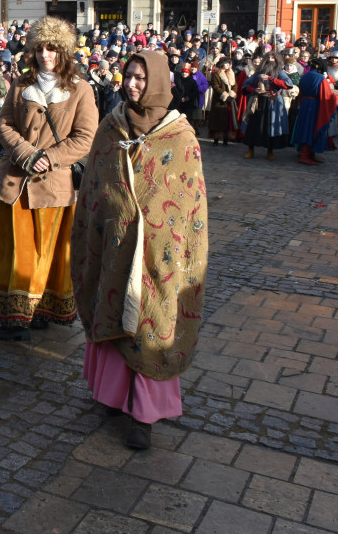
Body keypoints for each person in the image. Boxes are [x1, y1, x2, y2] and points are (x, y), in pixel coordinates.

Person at [71, 50, 207, 449]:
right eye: (128, 76)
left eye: (141, 78)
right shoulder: (110, 129)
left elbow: (189, 203)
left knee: (150, 322)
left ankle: (143, 414)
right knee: (111, 309)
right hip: (112, 246)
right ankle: (112, 396)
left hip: (157, 254)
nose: (131, 84)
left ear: (159, 82)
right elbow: (95, 186)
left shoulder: (180, 137)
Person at [0, 16, 98, 342]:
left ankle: (40, 312)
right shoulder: (20, 84)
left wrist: (50, 158)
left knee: (48, 253)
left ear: (64, 52)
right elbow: (4, 124)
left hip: (54, 187)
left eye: (53, 49)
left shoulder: (80, 90)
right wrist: (27, 153)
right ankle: (16, 318)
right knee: (15, 252)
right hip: (17, 183)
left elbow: (85, 137)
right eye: (40, 48)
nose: (46, 55)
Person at [242, 51, 292, 160]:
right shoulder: (258, 72)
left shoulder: (280, 72)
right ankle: (250, 149)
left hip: (273, 102)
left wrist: (271, 79)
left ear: (277, 59)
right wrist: (254, 89)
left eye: (273, 57)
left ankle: (270, 151)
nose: (270, 59)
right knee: (255, 125)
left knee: (271, 127)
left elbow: (288, 84)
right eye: (268, 57)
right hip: (260, 101)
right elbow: (246, 85)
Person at [291, 58, 337, 165]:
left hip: (305, 104)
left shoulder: (304, 77)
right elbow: (327, 95)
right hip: (314, 106)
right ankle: (304, 156)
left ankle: (310, 154)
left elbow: (301, 93)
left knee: (306, 128)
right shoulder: (321, 78)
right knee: (311, 129)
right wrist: (334, 98)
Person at [207, 57, 237, 146]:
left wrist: (232, 95)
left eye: (229, 64)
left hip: (229, 102)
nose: (228, 65)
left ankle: (226, 139)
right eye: (226, 63)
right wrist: (224, 95)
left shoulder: (231, 73)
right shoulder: (216, 74)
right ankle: (216, 139)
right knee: (218, 121)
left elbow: (235, 85)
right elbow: (215, 86)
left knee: (227, 122)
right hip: (219, 100)